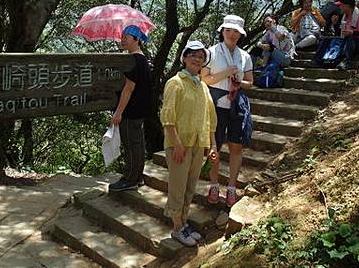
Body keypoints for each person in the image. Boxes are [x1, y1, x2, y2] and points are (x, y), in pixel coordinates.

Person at [161, 41, 217, 246]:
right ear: (184, 58)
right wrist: (176, 143)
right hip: (179, 144)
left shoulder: (202, 86)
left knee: (190, 186)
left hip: (198, 143)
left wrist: (212, 145)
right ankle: (176, 227)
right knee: (177, 186)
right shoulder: (175, 82)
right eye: (193, 55)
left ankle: (183, 223)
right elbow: (167, 116)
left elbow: (210, 117)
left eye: (201, 57)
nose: (197, 59)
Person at [201, 15, 253, 207]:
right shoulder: (211, 53)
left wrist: (240, 81)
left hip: (236, 103)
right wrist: (226, 73)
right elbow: (204, 79)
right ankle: (214, 185)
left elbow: (250, 83)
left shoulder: (244, 56)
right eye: (228, 30)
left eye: (235, 31)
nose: (232, 34)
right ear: (222, 31)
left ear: (240, 34)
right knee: (215, 146)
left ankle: (231, 188)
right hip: (215, 103)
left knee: (236, 146)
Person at [108, 25, 152, 192]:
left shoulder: (133, 61)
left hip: (131, 111)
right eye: (122, 37)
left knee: (131, 144)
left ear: (136, 39)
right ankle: (137, 176)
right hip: (140, 110)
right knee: (138, 143)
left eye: (126, 37)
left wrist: (118, 113)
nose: (122, 40)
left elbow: (128, 89)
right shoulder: (142, 59)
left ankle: (130, 178)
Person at [310, 0, 359, 70]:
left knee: (349, 40)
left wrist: (351, 33)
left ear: (347, 6)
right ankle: (317, 61)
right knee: (326, 40)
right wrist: (335, 23)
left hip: (358, 42)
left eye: (341, 5)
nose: (340, 7)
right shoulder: (343, 16)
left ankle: (348, 62)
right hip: (345, 39)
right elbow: (339, 34)